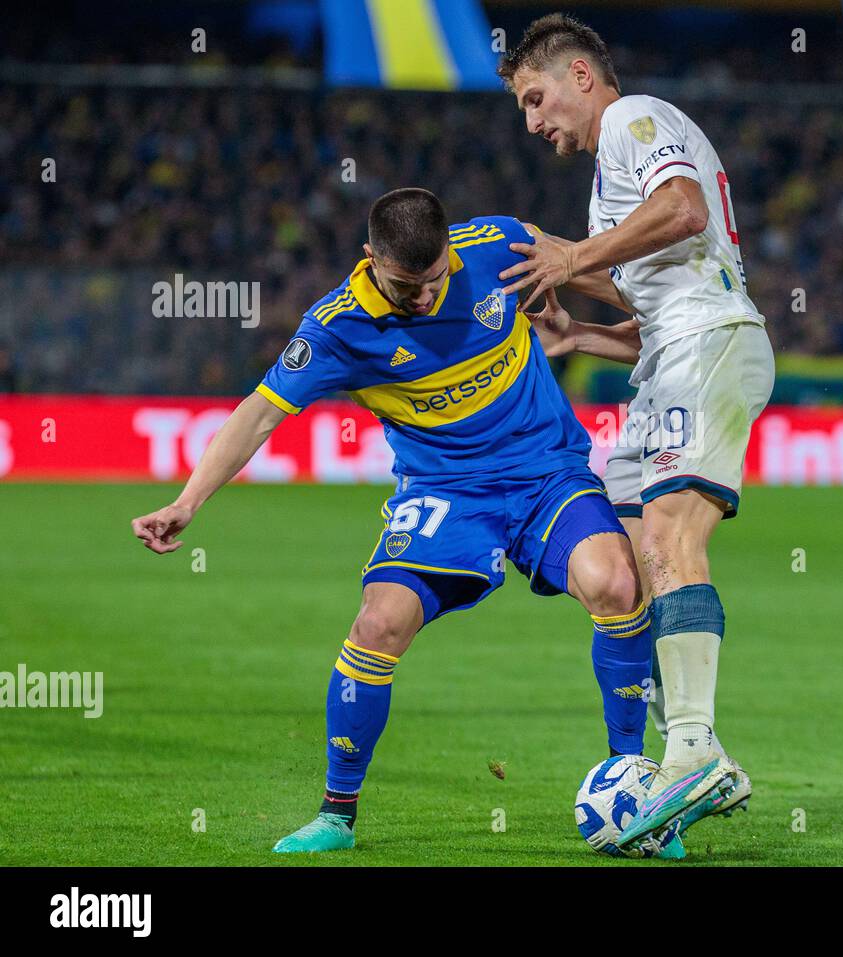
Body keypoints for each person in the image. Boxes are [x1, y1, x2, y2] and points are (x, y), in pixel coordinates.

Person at [131, 188, 679, 856]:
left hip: (548, 473)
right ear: (371, 259)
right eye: (405, 286)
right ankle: (336, 814)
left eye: (437, 278)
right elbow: (260, 413)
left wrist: (663, 309)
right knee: (378, 623)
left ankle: (637, 788)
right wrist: (187, 501)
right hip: (445, 492)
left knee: (619, 584)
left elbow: (587, 265)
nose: (424, 297)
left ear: (451, 249)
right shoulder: (338, 328)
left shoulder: (498, 247)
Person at [497, 14, 776, 848]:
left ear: (582, 76)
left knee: (664, 536)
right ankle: (689, 748)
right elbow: (654, 294)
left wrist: (574, 257)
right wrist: (581, 334)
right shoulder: (610, 175)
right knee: (621, 559)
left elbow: (685, 209)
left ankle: (690, 747)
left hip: (708, 344)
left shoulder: (631, 119)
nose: (532, 120)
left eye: (536, 98)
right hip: (670, 355)